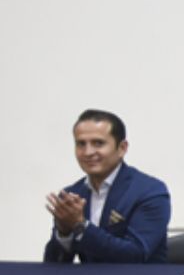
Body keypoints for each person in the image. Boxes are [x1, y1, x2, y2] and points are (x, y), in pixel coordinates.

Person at [44, 109, 171, 263]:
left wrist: (81, 226)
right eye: (81, 144)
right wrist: (64, 233)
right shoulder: (72, 195)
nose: (88, 152)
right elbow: (54, 267)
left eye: (98, 143)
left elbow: (135, 255)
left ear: (122, 148)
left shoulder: (150, 191)